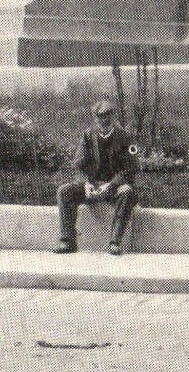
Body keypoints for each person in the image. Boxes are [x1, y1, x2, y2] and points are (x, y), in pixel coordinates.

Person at [56, 100, 138, 256]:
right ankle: (68, 241)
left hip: (115, 187)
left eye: (107, 117)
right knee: (64, 191)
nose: (103, 122)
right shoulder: (88, 136)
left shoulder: (126, 137)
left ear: (113, 117)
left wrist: (112, 185)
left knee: (127, 192)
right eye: (99, 118)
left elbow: (131, 168)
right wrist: (86, 183)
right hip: (93, 185)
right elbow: (79, 164)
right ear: (95, 119)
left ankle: (115, 242)